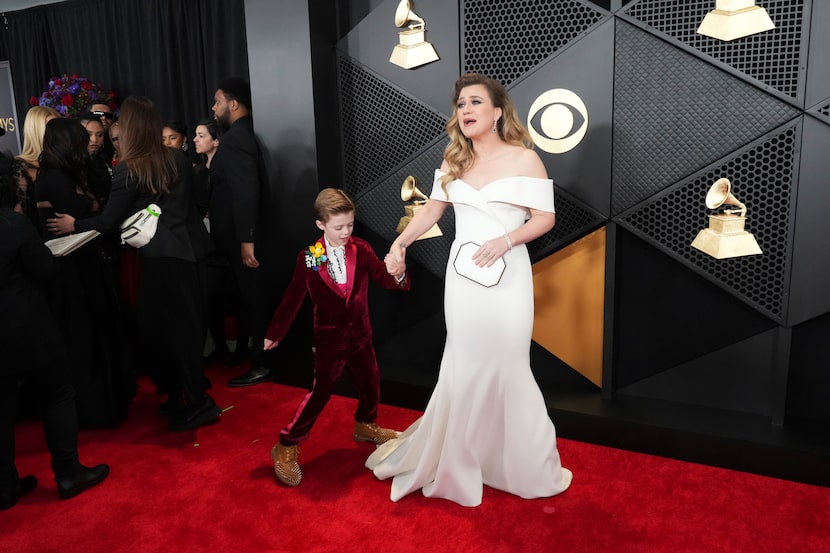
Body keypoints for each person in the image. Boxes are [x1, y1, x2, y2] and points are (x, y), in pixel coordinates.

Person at [366, 73, 573, 507]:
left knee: (508, 364)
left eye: (475, 102)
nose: (466, 111)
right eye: (461, 104)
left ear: (498, 112)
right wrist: (399, 242)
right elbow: (432, 211)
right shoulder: (453, 160)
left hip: (507, 276)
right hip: (462, 282)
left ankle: (518, 464)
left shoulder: (525, 159)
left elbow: (545, 218)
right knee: (464, 363)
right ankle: (462, 459)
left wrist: (505, 240)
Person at [48, 95, 220, 432]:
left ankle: (198, 403)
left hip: (162, 261)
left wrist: (74, 225)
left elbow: (109, 220)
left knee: (164, 333)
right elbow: (200, 201)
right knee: (182, 331)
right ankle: (182, 397)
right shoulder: (178, 159)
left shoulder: (129, 167)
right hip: (194, 254)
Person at [266, 188, 409, 486]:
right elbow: (294, 296)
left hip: (361, 335)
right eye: (339, 227)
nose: (346, 232)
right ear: (321, 225)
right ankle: (286, 445)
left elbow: (385, 278)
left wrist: (397, 273)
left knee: (371, 382)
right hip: (330, 340)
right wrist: (276, 332)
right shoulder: (310, 258)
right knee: (321, 393)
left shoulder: (362, 249)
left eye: (350, 225)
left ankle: (365, 426)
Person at [0, 153, 109, 509]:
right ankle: (68, 473)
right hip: (27, 326)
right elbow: (44, 268)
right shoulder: (14, 225)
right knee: (58, 393)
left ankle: (5, 487)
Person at [35, 118, 132, 428]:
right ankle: (95, 408)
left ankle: (109, 400)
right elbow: (82, 216)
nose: (89, 143)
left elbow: (88, 215)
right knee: (84, 338)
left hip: (87, 264)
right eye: (81, 138)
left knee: (98, 332)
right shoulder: (53, 178)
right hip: (71, 272)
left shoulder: (70, 173)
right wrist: (91, 213)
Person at [209, 77, 272, 386]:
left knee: (254, 299)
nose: (214, 107)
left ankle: (261, 363)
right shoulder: (243, 134)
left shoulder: (235, 138)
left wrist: (246, 240)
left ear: (233, 104)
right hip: (240, 237)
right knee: (248, 299)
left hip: (244, 239)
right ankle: (253, 356)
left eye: (218, 101)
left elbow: (246, 191)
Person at [192, 118, 231, 366]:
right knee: (210, 300)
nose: (195, 139)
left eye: (201, 135)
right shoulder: (197, 171)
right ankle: (220, 348)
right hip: (204, 244)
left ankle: (238, 349)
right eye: (195, 135)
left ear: (216, 140)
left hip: (225, 242)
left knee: (230, 297)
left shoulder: (225, 170)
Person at [11, 106, 60, 232]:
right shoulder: (19, 167)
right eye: (50, 128)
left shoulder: (61, 163)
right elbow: (18, 215)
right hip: (37, 239)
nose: (56, 133)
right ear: (35, 131)